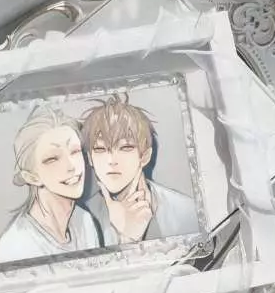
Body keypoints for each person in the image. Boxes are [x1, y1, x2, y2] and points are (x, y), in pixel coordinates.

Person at [81, 94, 199, 244]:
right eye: (100, 149)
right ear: (90, 158)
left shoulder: (186, 211)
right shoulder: (82, 219)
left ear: (145, 156)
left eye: (125, 147)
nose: (111, 161)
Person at [0, 106, 100, 265]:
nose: (72, 166)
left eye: (75, 151)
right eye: (52, 159)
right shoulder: (15, 249)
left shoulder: (84, 221)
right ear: (32, 177)